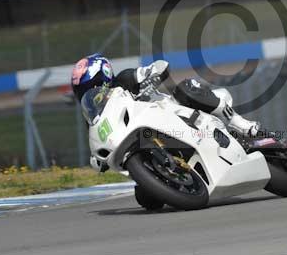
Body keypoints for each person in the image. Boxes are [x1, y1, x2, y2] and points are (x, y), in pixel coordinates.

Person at [71, 53, 260, 172]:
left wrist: (153, 75)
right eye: (81, 91)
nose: (87, 93)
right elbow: (97, 147)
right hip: (144, 139)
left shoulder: (125, 79)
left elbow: (157, 67)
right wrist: (98, 160)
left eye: (90, 86)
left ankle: (238, 122)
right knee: (145, 199)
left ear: (103, 77)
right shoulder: (94, 117)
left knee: (186, 87)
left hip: (172, 113)